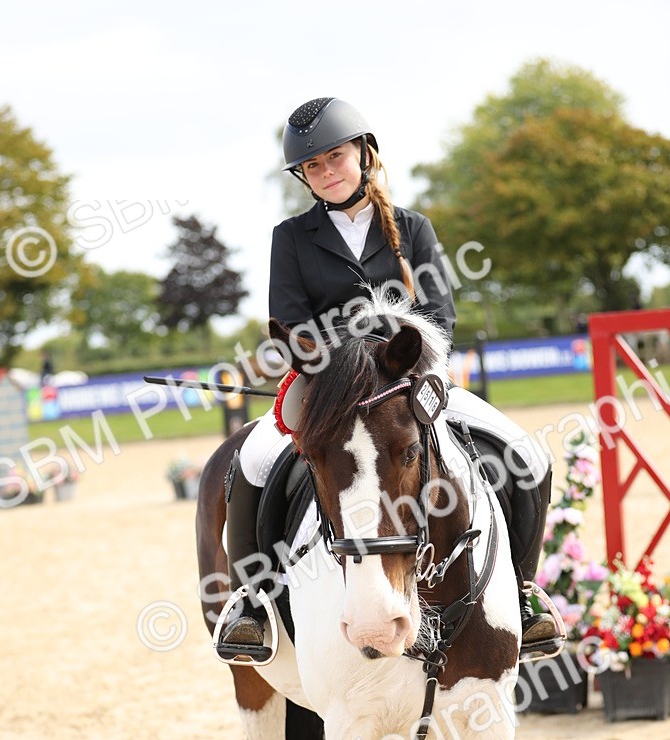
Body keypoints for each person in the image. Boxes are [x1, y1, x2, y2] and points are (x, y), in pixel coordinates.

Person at [216, 97, 560, 663]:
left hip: (409, 383)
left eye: (335, 157)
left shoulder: (413, 227)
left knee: (526, 454)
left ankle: (522, 593)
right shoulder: (291, 236)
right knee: (252, 460)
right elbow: (291, 318)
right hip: (330, 386)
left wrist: (398, 360)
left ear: (363, 153)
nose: (326, 172)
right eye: (313, 166)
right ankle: (251, 604)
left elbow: (440, 315)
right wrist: (344, 367)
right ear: (304, 177)